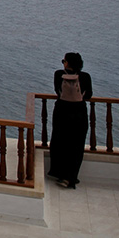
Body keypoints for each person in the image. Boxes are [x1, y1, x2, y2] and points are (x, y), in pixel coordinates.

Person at [48, 52, 92, 189]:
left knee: (60, 142)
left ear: (67, 63)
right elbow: (89, 95)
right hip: (79, 113)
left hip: (62, 111)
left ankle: (59, 173)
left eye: (64, 61)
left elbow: (57, 91)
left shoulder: (58, 74)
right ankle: (71, 177)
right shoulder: (85, 77)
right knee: (77, 145)